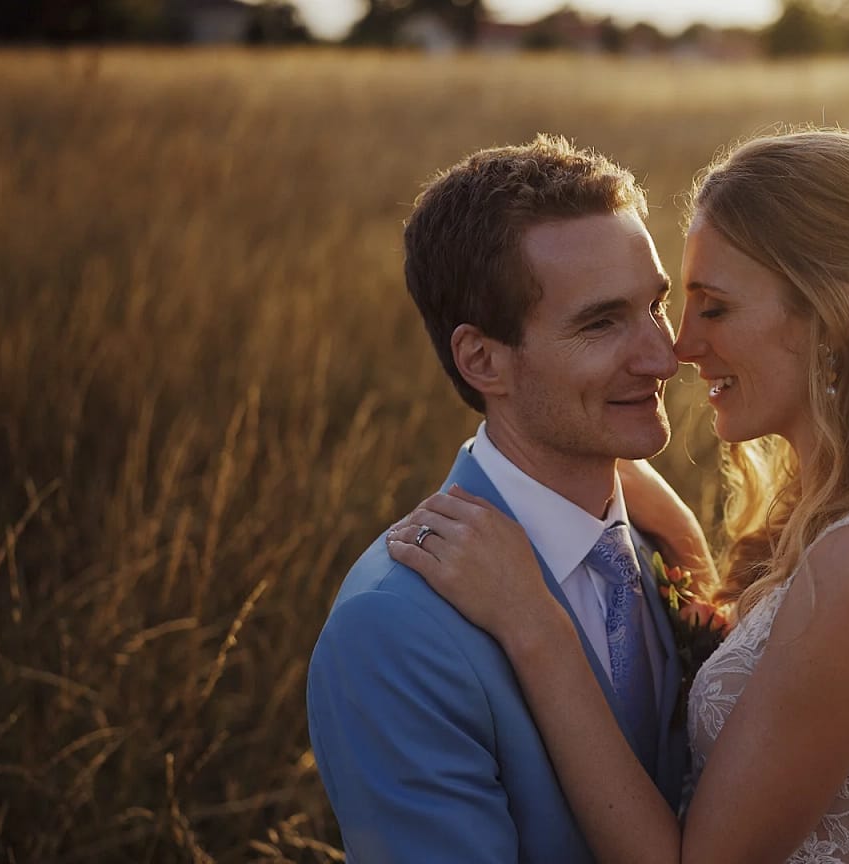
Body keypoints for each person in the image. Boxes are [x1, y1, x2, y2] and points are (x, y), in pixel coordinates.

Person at [387, 129, 849, 863]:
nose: (679, 347)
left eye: (714, 308)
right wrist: (685, 544)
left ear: (832, 317)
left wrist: (536, 626)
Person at [305, 135, 709, 863]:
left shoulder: (657, 544)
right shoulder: (393, 631)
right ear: (482, 359)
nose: (662, 355)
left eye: (657, 305)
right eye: (600, 322)